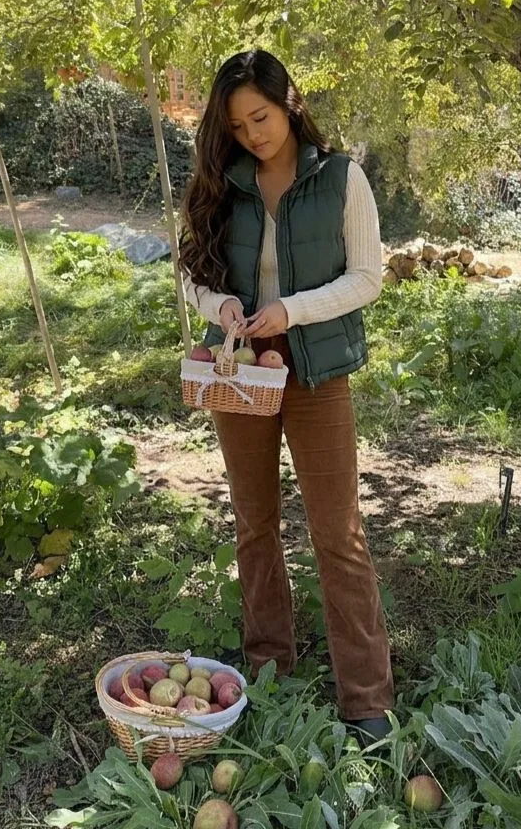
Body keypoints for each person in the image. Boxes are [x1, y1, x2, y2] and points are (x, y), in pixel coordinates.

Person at [179, 49, 393, 741]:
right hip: (241, 372)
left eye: (262, 117)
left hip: (317, 373)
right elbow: (193, 276)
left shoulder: (340, 178)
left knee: (339, 533)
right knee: (254, 523)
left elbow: (366, 278)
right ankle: (268, 667)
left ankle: (366, 698)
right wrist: (222, 310)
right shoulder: (224, 182)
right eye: (238, 125)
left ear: (290, 102)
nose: (253, 135)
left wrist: (291, 310)